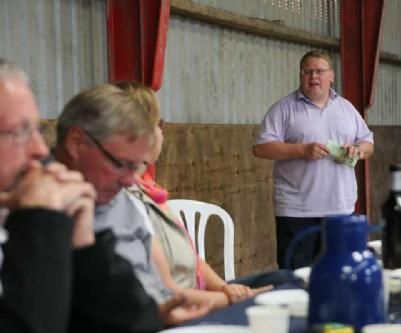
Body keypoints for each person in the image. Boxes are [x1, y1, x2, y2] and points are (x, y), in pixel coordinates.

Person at [52, 84, 211, 330]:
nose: (129, 180)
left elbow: (156, 292)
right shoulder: (37, 208)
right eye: (121, 164)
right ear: (76, 142)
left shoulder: (122, 201)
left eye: (136, 167)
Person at [113, 81, 276, 310]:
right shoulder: (127, 202)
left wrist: (223, 288)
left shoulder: (148, 191)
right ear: (142, 134)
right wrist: (228, 299)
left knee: (285, 280)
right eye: (159, 125)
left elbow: (192, 258)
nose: (162, 132)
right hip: (188, 307)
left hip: (200, 296)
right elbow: (165, 294)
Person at [253, 50, 374, 269]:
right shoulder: (283, 109)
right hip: (296, 211)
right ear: (300, 76)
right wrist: (302, 150)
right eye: (307, 72)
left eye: (319, 71)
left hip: (340, 209)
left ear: (331, 76)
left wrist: (357, 150)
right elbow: (261, 148)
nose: (313, 77)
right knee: (295, 278)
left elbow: (368, 143)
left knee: (339, 274)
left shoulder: (346, 108)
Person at [0, 58, 96, 333]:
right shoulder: (31, 220)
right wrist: (41, 221)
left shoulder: (11, 214)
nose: (41, 150)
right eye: (20, 132)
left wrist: (85, 244)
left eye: (37, 130)